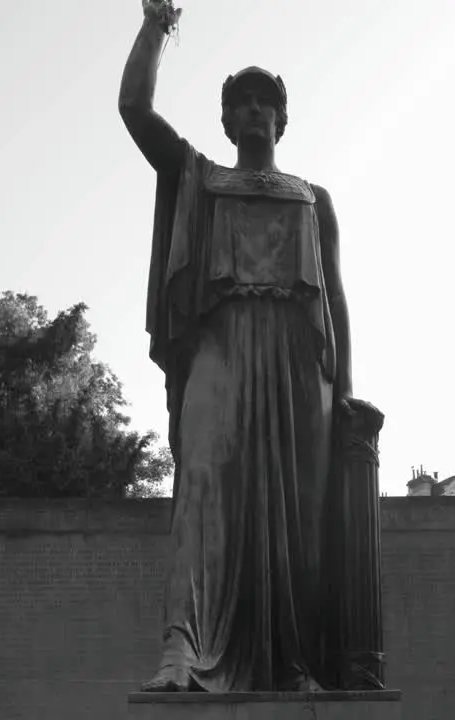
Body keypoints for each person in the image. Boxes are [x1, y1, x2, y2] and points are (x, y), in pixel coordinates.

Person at [119, 0, 354, 693]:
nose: (253, 112)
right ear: (226, 121)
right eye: (241, 103)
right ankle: (183, 647)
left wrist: (345, 398)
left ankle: (297, 661)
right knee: (201, 492)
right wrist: (157, 25)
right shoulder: (201, 177)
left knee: (300, 519)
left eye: (265, 103)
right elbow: (135, 110)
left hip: (299, 362)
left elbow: (336, 303)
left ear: (282, 120)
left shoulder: (314, 199)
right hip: (221, 346)